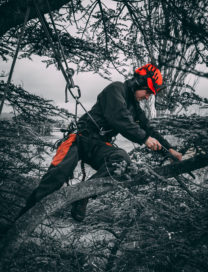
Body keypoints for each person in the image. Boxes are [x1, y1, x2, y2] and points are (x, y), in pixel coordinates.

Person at [18, 63, 182, 222]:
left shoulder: (135, 107)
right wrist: (144, 139)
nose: (148, 96)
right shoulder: (115, 89)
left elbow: (149, 130)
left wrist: (169, 149)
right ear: (137, 83)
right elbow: (119, 117)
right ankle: (21, 220)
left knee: (120, 159)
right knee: (56, 176)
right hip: (80, 139)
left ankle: (83, 196)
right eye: (147, 91)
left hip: (98, 144)